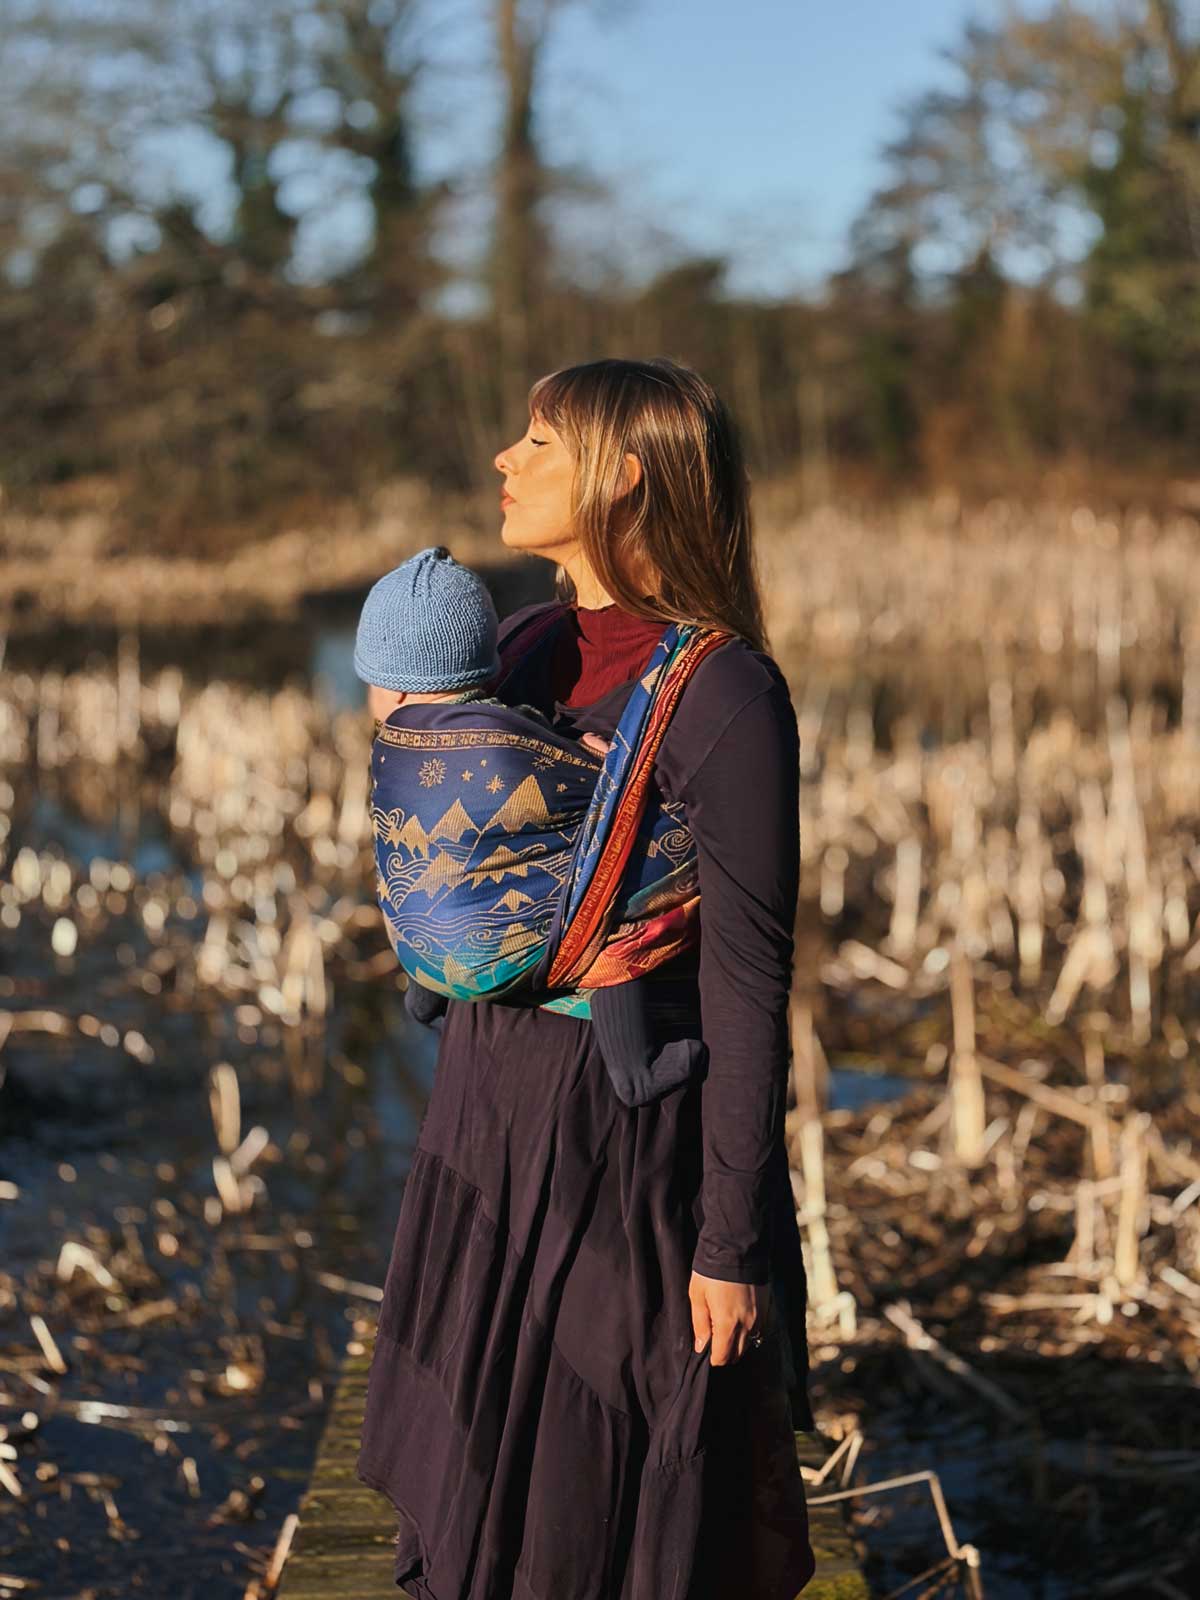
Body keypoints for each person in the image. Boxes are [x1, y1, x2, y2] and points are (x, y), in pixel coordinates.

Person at [356, 356, 816, 1600]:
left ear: (624, 474)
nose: (504, 459)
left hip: (620, 1148)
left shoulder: (723, 690)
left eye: (540, 441)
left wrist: (732, 1242)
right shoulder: (519, 642)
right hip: (484, 1106)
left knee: (585, 1492)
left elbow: (747, 983)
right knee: (475, 1484)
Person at [353, 542, 719, 1107]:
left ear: (393, 687)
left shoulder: (389, 749)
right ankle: (636, 1072)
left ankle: (426, 1001)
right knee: (603, 901)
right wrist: (594, 759)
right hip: (501, 944)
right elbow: (564, 773)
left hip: (422, 950)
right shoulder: (511, 727)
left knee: (426, 881)